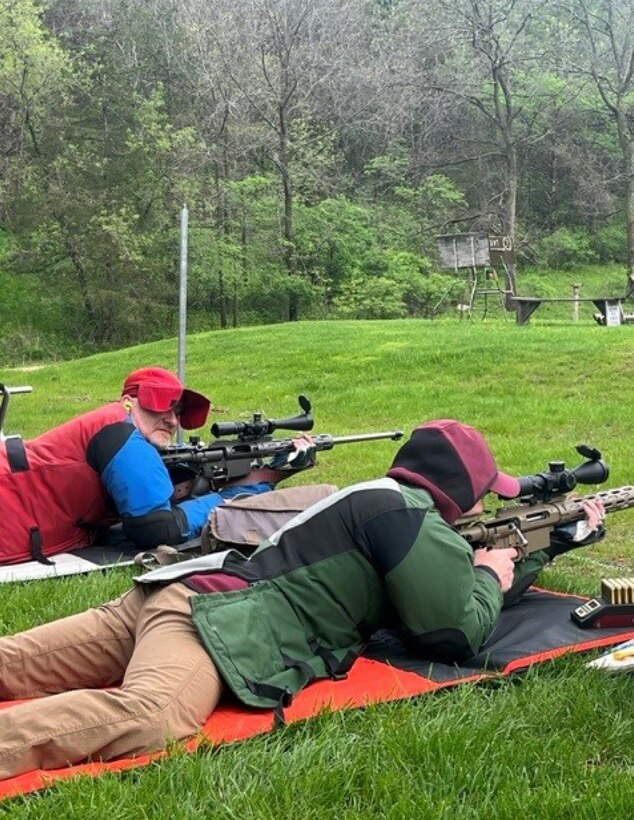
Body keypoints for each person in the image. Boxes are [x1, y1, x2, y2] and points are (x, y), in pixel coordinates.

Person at [0, 419, 605, 778]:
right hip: (210, 623)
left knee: (14, 660)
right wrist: (492, 575)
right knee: (152, 716)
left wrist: (538, 552)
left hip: (177, 593)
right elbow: (450, 632)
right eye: (481, 493)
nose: (485, 505)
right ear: (456, 491)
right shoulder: (408, 517)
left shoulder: (374, 497)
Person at [0, 366, 309, 565]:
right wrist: (251, 489)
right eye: (161, 405)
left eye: (178, 412)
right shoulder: (119, 431)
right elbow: (156, 529)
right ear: (130, 401)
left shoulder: (113, 426)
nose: (173, 420)